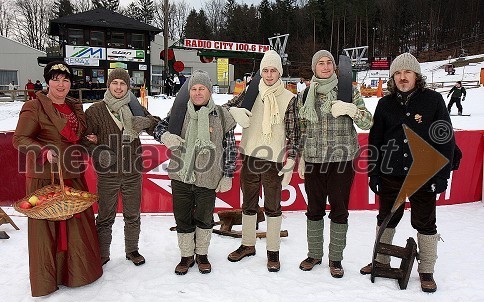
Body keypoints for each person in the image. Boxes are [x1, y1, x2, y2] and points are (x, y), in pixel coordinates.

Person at [360, 53, 455, 293]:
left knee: (425, 222)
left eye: (407, 73)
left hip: (424, 175)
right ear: (393, 77)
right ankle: (380, 261)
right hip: (390, 174)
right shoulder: (384, 104)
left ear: (416, 75)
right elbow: (376, 141)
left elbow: (445, 140)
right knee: (386, 219)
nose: (402, 77)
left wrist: (442, 176)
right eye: (398, 73)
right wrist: (374, 173)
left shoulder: (433, 101)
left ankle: (427, 271)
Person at [12, 61, 103, 297]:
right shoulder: (34, 106)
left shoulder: (74, 107)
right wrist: (42, 150)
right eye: (55, 79)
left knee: (76, 228)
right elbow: (20, 139)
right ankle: (48, 279)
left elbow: (73, 139)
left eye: (65, 79)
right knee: (47, 231)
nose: (61, 84)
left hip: (72, 174)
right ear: (47, 82)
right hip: (45, 178)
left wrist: (87, 140)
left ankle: (76, 274)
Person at [297, 50, 373, 278]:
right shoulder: (304, 95)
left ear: (334, 67)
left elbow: (368, 121)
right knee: (314, 209)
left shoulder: (348, 90)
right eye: (320, 63)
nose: (326, 66)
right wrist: (300, 156)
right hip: (313, 160)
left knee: (339, 210)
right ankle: (314, 254)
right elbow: (301, 128)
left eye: (329, 62)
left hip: (341, 159)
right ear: (314, 68)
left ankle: (336, 258)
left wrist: (351, 109)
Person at [154, 70, 236, 275]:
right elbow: (158, 128)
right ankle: (186, 255)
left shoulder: (222, 115)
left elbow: (230, 147)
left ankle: (202, 255)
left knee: (204, 218)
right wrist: (165, 136)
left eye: (202, 89)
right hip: (181, 174)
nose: (198, 93)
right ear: (189, 91)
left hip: (209, 176)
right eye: (194, 89)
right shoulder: (179, 112)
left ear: (209, 91)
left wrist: (227, 174)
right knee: (182, 217)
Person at [225, 50, 300, 272]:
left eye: (273, 70)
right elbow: (226, 108)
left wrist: (292, 159)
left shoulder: (289, 98)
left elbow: (295, 131)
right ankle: (247, 244)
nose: (269, 74)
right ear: (261, 71)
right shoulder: (251, 92)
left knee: (273, 206)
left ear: (280, 72)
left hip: (273, 159)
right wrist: (234, 112)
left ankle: (273, 251)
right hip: (249, 155)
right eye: (265, 70)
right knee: (248, 203)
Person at [82, 68, 159, 267]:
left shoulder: (134, 107)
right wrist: (99, 152)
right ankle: (102, 253)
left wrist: (145, 121)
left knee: (132, 215)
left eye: (122, 84)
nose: (118, 87)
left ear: (128, 87)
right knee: (106, 216)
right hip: (108, 174)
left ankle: (132, 250)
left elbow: (156, 124)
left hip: (133, 171)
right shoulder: (95, 110)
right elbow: (83, 139)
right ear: (108, 85)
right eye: (115, 83)